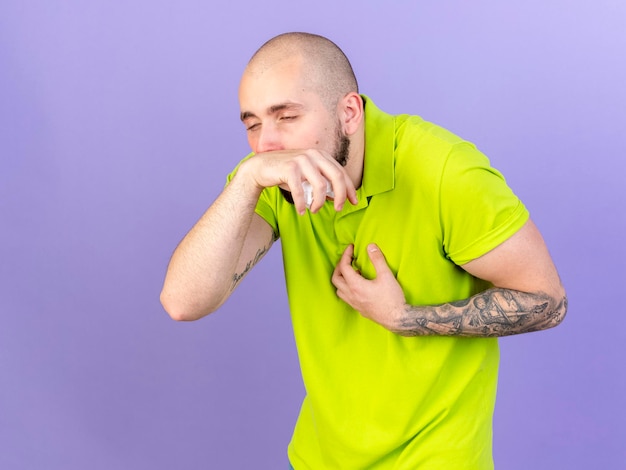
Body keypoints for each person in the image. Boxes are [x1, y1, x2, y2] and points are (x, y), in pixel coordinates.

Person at [160, 32, 567, 469]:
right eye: (253, 124)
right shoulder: (271, 176)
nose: (267, 144)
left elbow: (548, 301)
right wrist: (245, 180)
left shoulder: (446, 171)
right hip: (322, 457)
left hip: (435, 457)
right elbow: (183, 302)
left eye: (286, 116)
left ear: (349, 113)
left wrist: (405, 319)